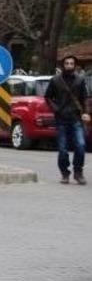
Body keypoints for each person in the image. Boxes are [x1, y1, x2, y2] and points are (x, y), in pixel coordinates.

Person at [45, 55, 90, 185]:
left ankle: (78, 172)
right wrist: (56, 109)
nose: (69, 65)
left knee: (80, 146)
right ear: (63, 65)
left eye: (71, 63)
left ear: (75, 65)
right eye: (67, 63)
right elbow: (48, 97)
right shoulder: (55, 80)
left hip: (76, 119)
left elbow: (85, 98)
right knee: (62, 149)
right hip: (61, 119)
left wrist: (86, 113)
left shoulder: (80, 80)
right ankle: (65, 173)